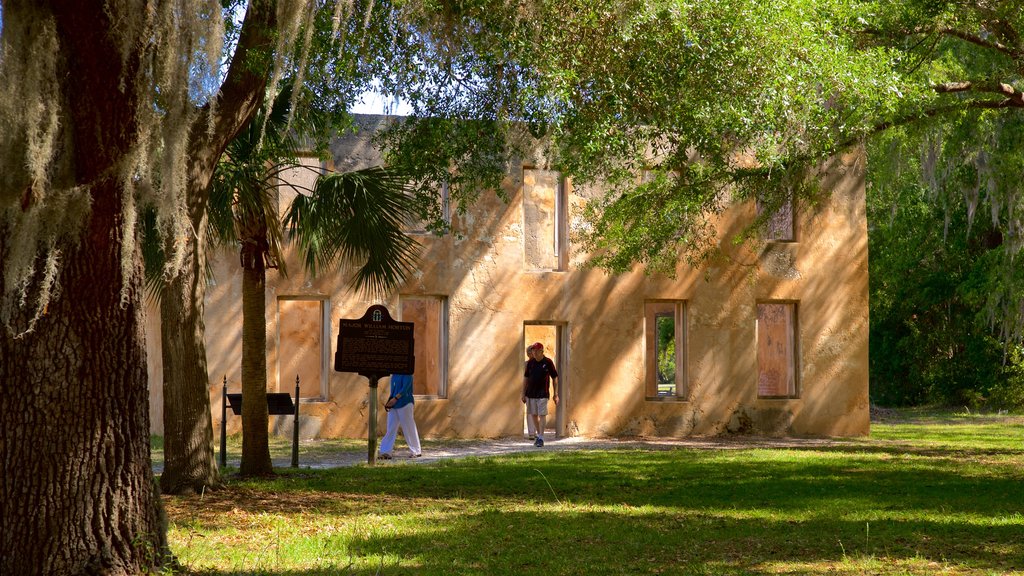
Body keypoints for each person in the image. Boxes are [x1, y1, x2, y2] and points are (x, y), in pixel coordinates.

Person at [522, 342, 558, 447]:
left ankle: (541, 437)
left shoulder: (548, 362)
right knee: (533, 415)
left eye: (537, 350)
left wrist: (556, 394)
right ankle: (539, 435)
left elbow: (555, 377)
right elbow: (526, 378)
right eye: (533, 350)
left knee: (542, 415)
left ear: (542, 351)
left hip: (543, 393)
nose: (534, 352)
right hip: (531, 393)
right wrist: (523, 393)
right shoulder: (530, 363)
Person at [379, 373, 421, 459]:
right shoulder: (394, 375)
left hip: (405, 403)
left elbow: (405, 389)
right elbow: (393, 391)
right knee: (391, 428)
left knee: (409, 427)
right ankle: (386, 452)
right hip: (394, 404)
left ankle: (416, 451)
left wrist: (395, 399)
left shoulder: (407, 374)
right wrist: (390, 401)